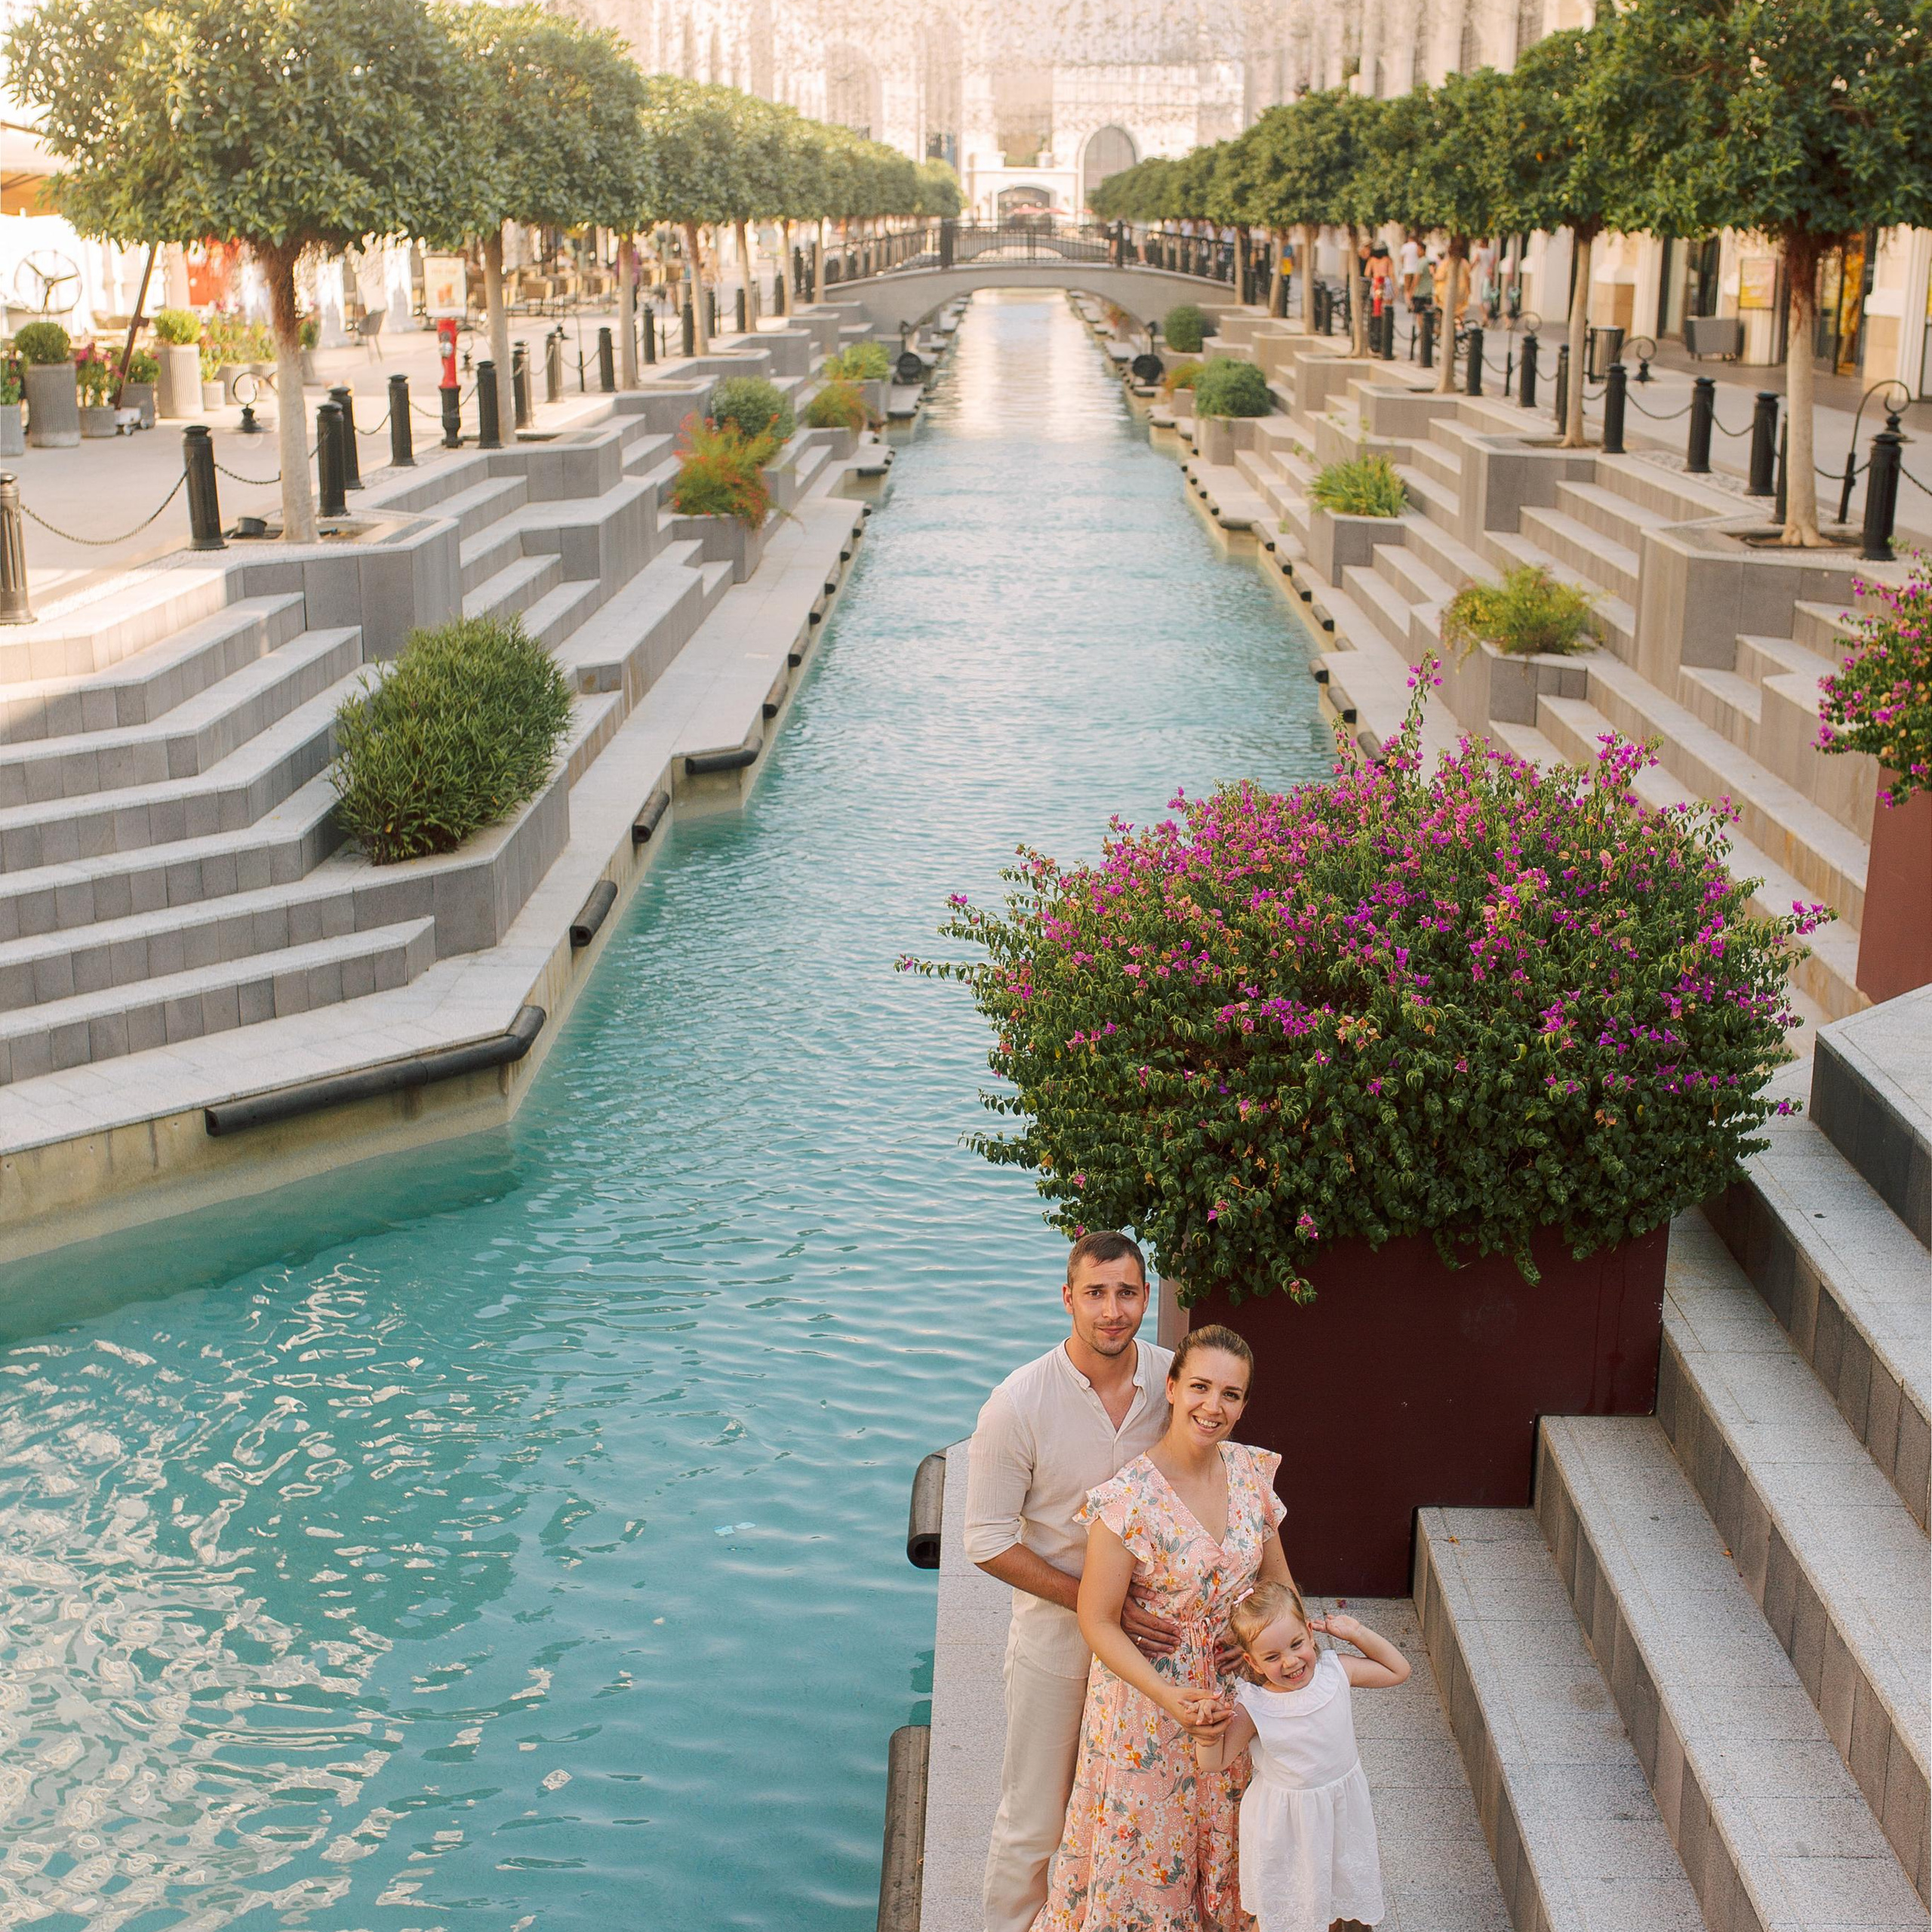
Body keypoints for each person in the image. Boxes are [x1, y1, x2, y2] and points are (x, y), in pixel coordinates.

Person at [1032, 1326, 1296, 1932]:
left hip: (1236, 1700)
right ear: (1172, 1389)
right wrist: (1167, 1696)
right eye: (1200, 1387)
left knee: (1233, 1844)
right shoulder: (1129, 1497)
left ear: (1245, 1404)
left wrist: (1260, 1631)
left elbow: (1283, 1590)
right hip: (1146, 1708)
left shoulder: (1252, 1473)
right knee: (1151, 1859)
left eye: (1231, 1395)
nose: (1214, 1406)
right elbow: (1096, 1620)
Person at [965, 1232, 1177, 1932]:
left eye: (1126, 1292)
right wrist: (1094, 1602)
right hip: (1055, 1639)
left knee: (1138, 1803)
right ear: (1067, 1299)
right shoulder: (1016, 1404)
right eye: (1095, 1293)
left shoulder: (1177, 1386)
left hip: (1154, 1634)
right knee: (1034, 1816)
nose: (1112, 1310)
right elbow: (987, 1541)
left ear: (1147, 1297)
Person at [1192, 1584, 1407, 1932]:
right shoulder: (1255, 1706)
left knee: (1338, 1899)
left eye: (1296, 1645)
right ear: (1253, 1662)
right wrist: (1207, 1729)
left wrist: (1357, 1634)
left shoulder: (1336, 1673)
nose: (1291, 1662)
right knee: (1289, 1908)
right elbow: (1213, 1762)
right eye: (1273, 1657)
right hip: (1284, 1826)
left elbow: (1399, 1670)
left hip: (1340, 1814)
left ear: (1310, 1633)